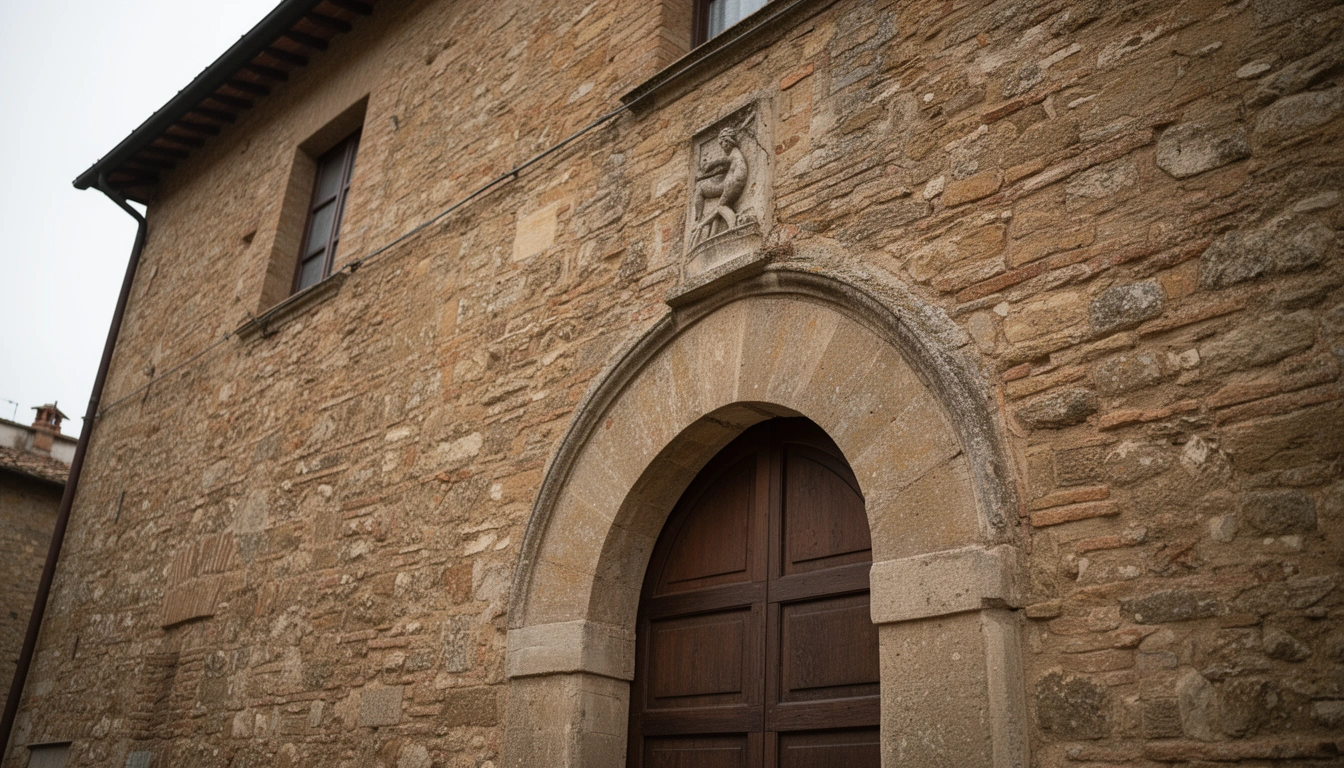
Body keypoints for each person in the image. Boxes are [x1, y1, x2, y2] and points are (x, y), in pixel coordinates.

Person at [691, 126, 749, 245]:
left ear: (731, 140)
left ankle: (733, 227)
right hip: (728, 182)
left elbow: (721, 162)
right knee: (702, 190)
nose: (723, 145)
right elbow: (722, 168)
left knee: (721, 207)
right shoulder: (733, 156)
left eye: (725, 141)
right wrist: (706, 174)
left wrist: (709, 165)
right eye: (721, 142)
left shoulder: (734, 154)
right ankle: (711, 234)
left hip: (733, 183)